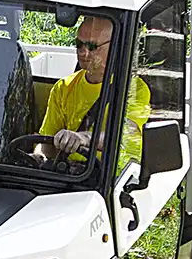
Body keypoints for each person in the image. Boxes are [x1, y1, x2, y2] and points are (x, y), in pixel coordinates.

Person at [39, 16, 151, 171]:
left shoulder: (133, 89)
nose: (84, 53)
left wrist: (84, 138)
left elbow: (123, 136)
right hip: (72, 175)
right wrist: (38, 156)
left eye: (92, 46)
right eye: (79, 45)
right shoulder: (63, 87)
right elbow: (47, 148)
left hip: (113, 179)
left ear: (114, 46)